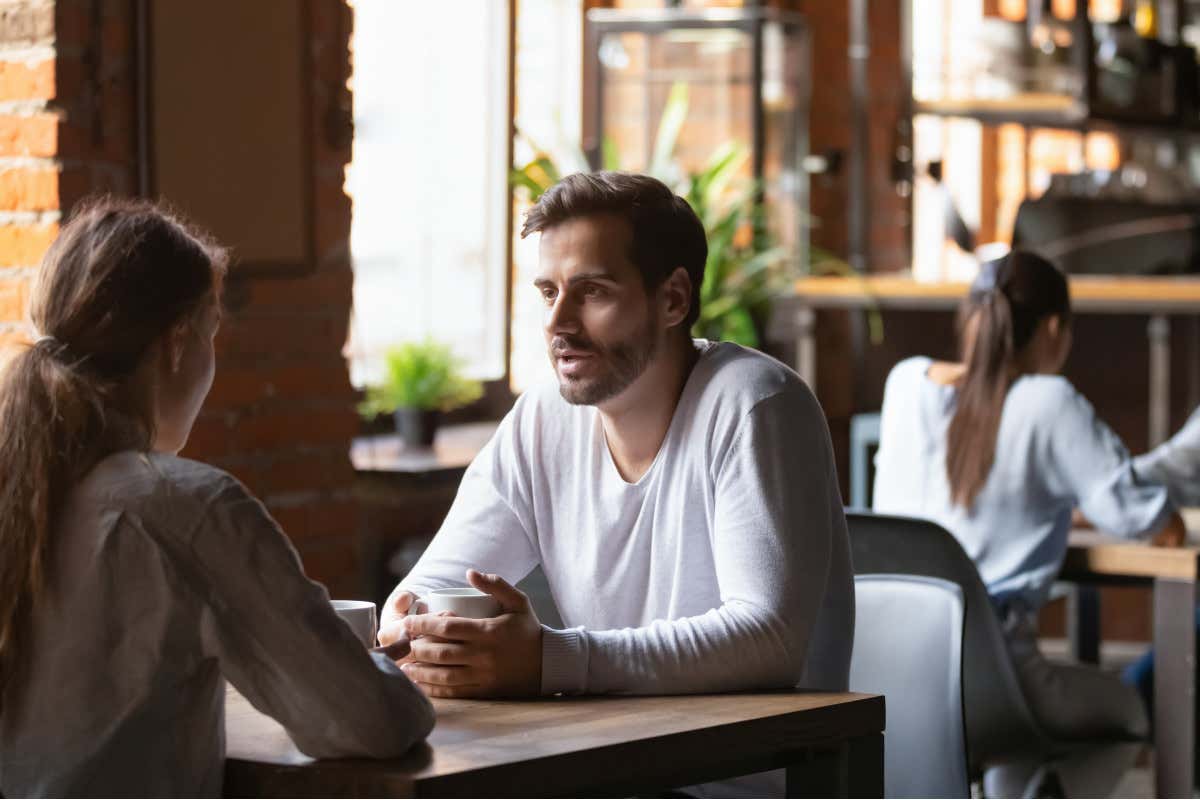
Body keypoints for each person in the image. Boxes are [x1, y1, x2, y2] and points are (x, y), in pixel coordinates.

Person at [377, 171, 853, 794]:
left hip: (739, 784)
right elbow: (428, 588)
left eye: (592, 291)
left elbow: (769, 639)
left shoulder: (754, 404)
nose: (558, 323)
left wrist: (550, 660)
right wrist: (422, 633)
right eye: (548, 292)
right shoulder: (542, 418)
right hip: (604, 770)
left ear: (674, 300)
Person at [0, 199, 433, 797]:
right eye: (212, 334)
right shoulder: (183, 508)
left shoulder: (21, 486)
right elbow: (372, 721)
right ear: (179, 343)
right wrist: (388, 672)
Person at [872, 250, 1185, 794]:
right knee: (1131, 714)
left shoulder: (904, 385)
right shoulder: (1048, 402)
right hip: (995, 682)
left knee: (1015, 750)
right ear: (1054, 328)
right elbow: (1156, 524)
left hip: (885, 673)